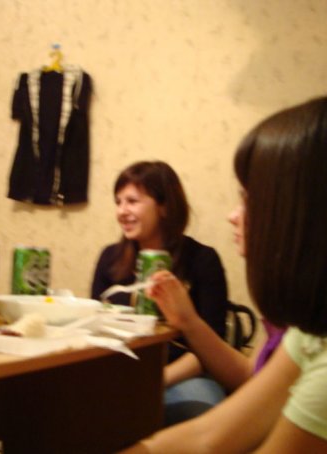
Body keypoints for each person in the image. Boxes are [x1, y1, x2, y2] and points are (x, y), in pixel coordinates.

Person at [124, 95, 327, 453]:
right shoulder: (314, 332)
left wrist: (185, 330)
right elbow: (207, 436)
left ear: (307, 216)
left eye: (249, 198)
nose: (233, 215)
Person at [91, 161, 229, 424]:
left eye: (132, 201)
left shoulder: (202, 259)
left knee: (205, 416)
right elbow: (94, 327)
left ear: (164, 206)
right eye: (118, 202)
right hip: (120, 373)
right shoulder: (110, 258)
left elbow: (213, 346)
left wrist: (157, 380)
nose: (122, 211)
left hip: (183, 375)